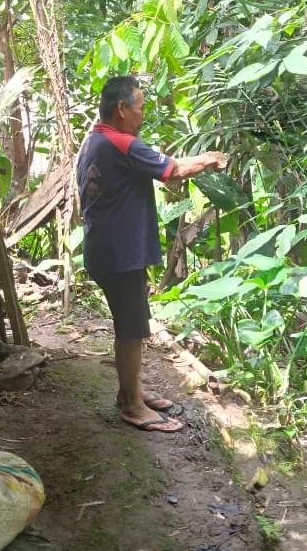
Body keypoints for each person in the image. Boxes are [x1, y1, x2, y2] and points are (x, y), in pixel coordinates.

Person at [77, 75, 227, 432]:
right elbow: (172, 169)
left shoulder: (96, 138)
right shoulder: (122, 143)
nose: (143, 114)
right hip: (117, 253)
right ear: (122, 109)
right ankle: (132, 406)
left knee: (133, 324)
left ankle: (131, 392)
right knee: (131, 329)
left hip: (109, 248)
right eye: (141, 107)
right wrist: (209, 160)